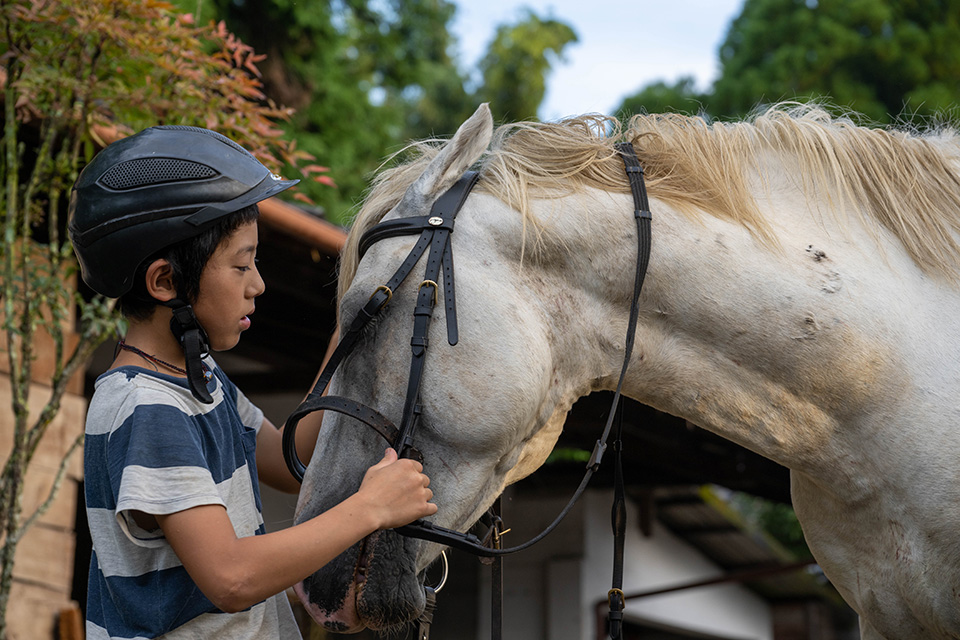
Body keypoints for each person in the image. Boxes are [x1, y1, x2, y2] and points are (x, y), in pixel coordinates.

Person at [68, 125, 438, 640]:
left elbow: (290, 459)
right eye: (242, 264)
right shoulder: (144, 406)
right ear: (165, 281)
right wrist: (370, 509)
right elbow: (231, 576)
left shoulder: (197, 380)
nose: (258, 284)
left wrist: (350, 327)